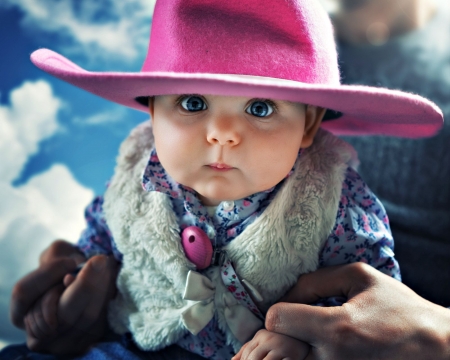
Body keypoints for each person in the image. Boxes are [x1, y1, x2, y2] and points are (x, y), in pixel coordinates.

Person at [2, 0, 442, 359]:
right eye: (193, 103)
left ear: (308, 126)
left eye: (261, 108)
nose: (223, 133)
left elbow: (372, 307)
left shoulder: (334, 204)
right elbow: (104, 243)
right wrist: (75, 287)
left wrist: (304, 343)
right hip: (136, 344)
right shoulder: (134, 185)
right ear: (152, 112)